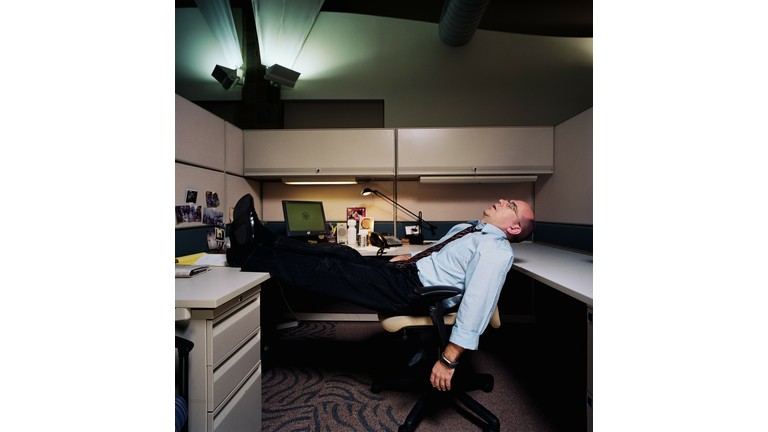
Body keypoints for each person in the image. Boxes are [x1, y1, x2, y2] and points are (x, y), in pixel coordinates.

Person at [227, 194, 534, 392]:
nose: (504, 201)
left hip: (416, 293)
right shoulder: (473, 230)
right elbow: (445, 258)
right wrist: (412, 257)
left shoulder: (494, 250)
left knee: (332, 271)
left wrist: (449, 359)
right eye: (509, 200)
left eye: (512, 207)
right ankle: (265, 238)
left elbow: (478, 304)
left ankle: (249, 255)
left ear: (515, 229)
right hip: (409, 273)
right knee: (344, 255)